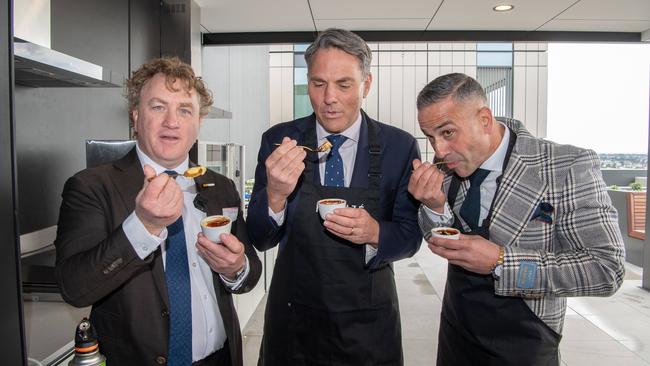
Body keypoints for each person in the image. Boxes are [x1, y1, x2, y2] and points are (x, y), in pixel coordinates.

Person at [54, 56, 262, 366]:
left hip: (220, 359)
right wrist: (144, 225)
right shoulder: (91, 186)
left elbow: (250, 272)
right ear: (136, 117)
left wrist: (235, 269)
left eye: (184, 110)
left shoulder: (220, 187)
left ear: (198, 123)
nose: (172, 122)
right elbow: (75, 287)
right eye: (158, 107)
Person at [408, 73, 625, 365]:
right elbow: (443, 238)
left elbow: (606, 269)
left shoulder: (566, 166)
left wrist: (500, 261)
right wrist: (434, 206)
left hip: (526, 339)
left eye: (447, 133)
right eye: (430, 137)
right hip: (457, 330)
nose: (439, 151)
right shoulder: (447, 165)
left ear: (484, 119)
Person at [246, 28, 422, 366]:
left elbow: (410, 236)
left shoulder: (399, 147)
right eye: (318, 84)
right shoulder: (279, 141)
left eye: (344, 84)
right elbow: (259, 236)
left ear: (366, 85)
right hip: (293, 319)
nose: (330, 98)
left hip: (368, 324)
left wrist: (375, 233)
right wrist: (276, 196)